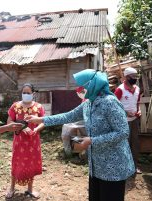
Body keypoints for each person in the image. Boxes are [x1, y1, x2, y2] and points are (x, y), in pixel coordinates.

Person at [26, 69, 135, 201]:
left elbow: (123, 132)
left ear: (93, 84)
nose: (80, 89)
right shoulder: (88, 103)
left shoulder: (110, 102)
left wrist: (92, 141)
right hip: (97, 165)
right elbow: (68, 116)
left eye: (83, 85)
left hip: (113, 165)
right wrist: (41, 120)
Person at [5, 83, 45, 199]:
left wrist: (36, 129)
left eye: (28, 92)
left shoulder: (38, 107)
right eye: (24, 92)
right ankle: (12, 188)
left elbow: (43, 121)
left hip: (33, 141)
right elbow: (9, 122)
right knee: (16, 163)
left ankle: (30, 189)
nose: (26, 94)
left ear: (33, 93)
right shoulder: (15, 106)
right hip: (19, 141)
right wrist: (22, 127)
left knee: (31, 163)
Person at [114, 67, 142, 174]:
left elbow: (137, 103)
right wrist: (125, 113)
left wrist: (139, 110)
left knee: (135, 143)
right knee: (124, 143)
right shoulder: (120, 90)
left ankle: (134, 166)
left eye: (136, 76)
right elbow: (114, 106)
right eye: (133, 77)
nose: (135, 79)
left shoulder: (137, 89)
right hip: (123, 121)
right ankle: (123, 166)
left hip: (134, 120)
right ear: (126, 77)